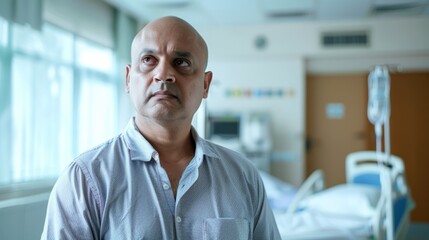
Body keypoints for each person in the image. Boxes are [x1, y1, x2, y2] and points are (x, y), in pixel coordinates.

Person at [41, 16, 281, 240]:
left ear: (205, 85)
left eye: (182, 62)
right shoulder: (85, 179)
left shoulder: (243, 177)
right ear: (128, 79)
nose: (164, 74)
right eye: (148, 60)